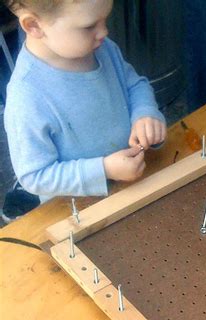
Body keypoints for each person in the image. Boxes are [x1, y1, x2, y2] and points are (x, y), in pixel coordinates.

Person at [2, 0, 166, 208]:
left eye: (105, 19)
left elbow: (134, 85)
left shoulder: (102, 48)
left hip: (138, 181)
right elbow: (35, 176)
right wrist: (104, 170)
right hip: (77, 209)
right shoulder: (27, 98)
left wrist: (145, 113)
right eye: (89, 26)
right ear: (34, 26)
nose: (104, 32)